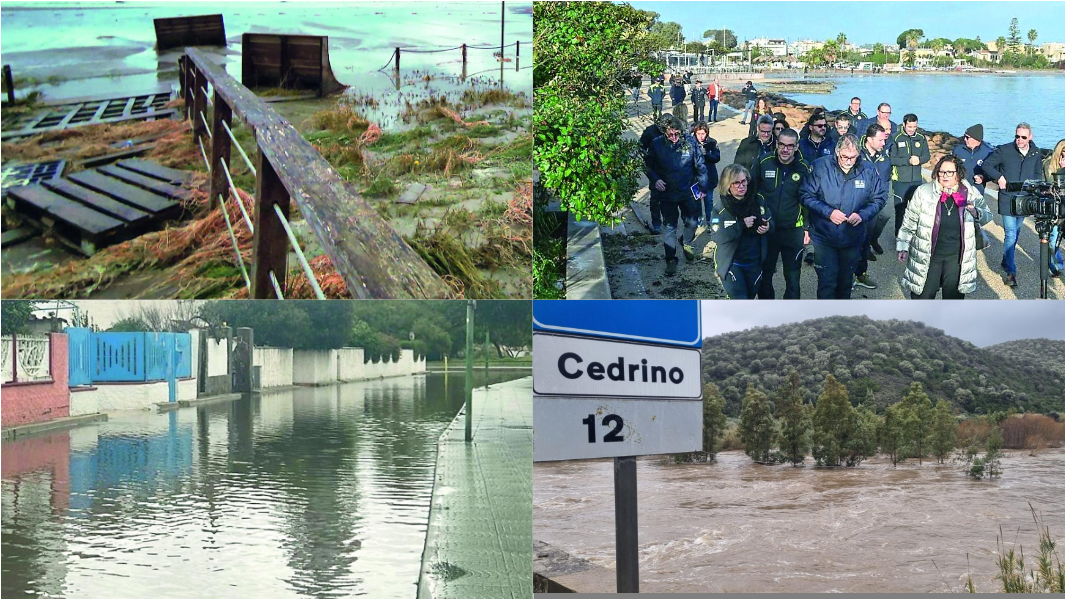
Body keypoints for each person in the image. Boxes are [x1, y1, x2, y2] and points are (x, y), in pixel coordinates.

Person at [800, 134, 888, 299]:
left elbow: (880, 198)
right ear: (837, 151)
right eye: (844, 157)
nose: (848, 161)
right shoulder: (820, 167)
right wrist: (829, 212)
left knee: (845, 283)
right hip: (824, 236)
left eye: (853, 157)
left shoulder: (868, 170)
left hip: (853, 237)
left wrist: (862, 215)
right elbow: (805, 195)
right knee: (827, 283)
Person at [897, 155, 993, 299]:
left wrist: (974, 211)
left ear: (958, 174)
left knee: (952, 299)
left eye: (950, 172)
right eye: (942, 172)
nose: (945, 176)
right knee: (923, 296)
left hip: (956, 257)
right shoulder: (923, 192)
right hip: (928, 255)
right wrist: (903, 246)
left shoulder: (969, 192)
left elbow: (988, 216)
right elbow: (909, 221)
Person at [978, 123, 1044, 288]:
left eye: (1023, 137)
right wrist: (998, 177)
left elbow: (1037, 174)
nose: (1019, 140)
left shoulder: (1036, 153)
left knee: (1017, 232)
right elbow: (986, 165)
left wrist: (1036, 192)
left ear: (1030, 137)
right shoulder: (1004, 150)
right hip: (1007, 199)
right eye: (1017, 136)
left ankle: (1005, 260)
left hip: (1025, 201)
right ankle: (1011, 272)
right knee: (1010, 233)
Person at [752, 128, 811, 299]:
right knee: (765, 274)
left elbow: (808, 200)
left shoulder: (804, 167)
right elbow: (751, 192)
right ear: (776, 144)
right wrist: (757, 220)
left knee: (793, 277)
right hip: (768, 229)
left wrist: (807, 228)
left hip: (793, 230)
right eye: (782, 145)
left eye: (790, 146)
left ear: (796, 147)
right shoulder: (764, 162)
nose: (785, 150)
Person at [645, 116, 709, 275]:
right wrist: (655, 180)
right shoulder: (657, 143)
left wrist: (702, 187)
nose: (674, 138)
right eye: (670, 134)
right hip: (667, 192)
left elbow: (700, 166)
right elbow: (647, 165)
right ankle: (671, 259)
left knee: (693, 223)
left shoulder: (690, 142)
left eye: (677, 134)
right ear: (665, 132)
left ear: (681, 132)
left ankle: (685, 241)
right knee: (670, 227)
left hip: (688, 189)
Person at [709, 164, 773, 298]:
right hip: (733, 262)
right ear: (727, 185)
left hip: (754, 261)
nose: (741, 186)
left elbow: (771, 220)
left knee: (750, 298)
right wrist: (741, 225)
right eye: (736, 183)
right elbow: (717, 236)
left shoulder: (758, 200)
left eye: (743, 181)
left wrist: (768, 227)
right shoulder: (719, 209)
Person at [853, 122, 892, 290]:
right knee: (852, 242)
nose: (884, 144)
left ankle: (861, 274)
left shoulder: (884, 158)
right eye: (880, 140)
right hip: (856, 205)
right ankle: (848, 276)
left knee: (865, 241)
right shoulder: (857, 155)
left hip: (874, 206)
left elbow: (885, 181)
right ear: (869, 139)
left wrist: (881, 200)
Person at [889, 113, 930, 236]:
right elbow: (891, 159)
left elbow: (927, 155)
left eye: (914, 126)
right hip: (900, 180)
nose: (912, 129)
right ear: (904, 124)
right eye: (910, 127)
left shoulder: (921, 138)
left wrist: (920, 160)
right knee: (900, 210)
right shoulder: (895, 138)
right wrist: (908, 161)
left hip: (916, 180)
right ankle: (899, 237)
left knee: (916, 210)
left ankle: (913, 236)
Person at [639, 114, 672, 234]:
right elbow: (640, 147)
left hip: (669, 169)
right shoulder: (650, 131)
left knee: (668, 197)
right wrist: (647, 157)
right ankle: (656, 222)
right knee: (655, 198)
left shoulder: (673, 130)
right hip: (655, 169)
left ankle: (667, 220)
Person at [1042, 139, 1065, 276]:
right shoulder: (1048, 166)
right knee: (1053, 240)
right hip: (1055, 209)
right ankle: (1055, 264)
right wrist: (1062, 171)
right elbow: (1051, 187)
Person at [693, 121, 721, 226]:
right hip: (695, 179)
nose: (700, 136)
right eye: (698, 134)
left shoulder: (712, 142)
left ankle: (709, 220)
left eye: (703, 134)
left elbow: (717, 157)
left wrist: (707, 155)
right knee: (696, 201)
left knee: (708, 201)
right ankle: (699, 217)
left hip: (709, 178)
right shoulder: (691, 143)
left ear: (707, 133)